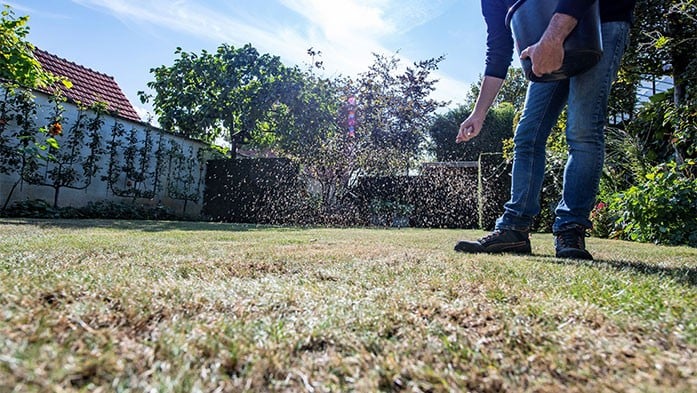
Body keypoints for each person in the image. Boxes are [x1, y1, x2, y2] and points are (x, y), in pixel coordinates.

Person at [455, 0, 637, 260]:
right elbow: (499, 49)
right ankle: (514, 229)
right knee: (527, 135)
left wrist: (555, 37)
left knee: (582, 129)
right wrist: (479, 112)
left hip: (600, 18)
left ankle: (570, 229)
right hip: (545, 36)